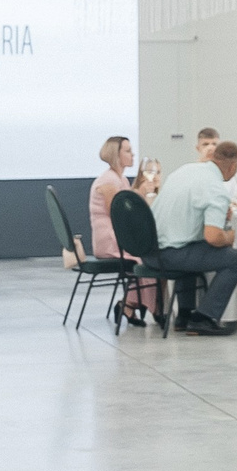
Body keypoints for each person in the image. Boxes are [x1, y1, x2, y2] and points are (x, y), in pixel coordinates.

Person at [151, 140, 237, 335]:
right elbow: (213, 237)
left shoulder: (183, 171)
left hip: (149, 252)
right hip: (171, 256)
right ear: (233, 167)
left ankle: (185, 314)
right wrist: (228, 237)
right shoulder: (216, 189)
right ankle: (204, 317)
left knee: (190, 243)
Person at [84, 135, 151, 327]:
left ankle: (130, 304)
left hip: (116, 237)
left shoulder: (120, 179)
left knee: (149, 255)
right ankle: (139, 305)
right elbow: (118, 215)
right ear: (116, 155)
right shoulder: (109, 181)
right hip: (109, 240)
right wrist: (140, 196)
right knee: (148, 258)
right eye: (128, 151)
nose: (133, 154)